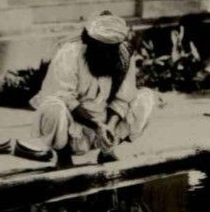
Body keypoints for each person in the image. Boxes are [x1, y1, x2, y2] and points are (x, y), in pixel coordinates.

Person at [22, 12, 154, 167]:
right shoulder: (69, 54)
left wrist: (109, 127)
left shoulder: (123, 58)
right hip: (72, 127)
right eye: (102, 49)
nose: (107, 55)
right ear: (90, 44)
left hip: (103, 126)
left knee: (145, 98)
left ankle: (107, 151)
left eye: (112, 50)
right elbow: (65, 97)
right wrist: (96, 125)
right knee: (52, 106)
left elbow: (122, 98)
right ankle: (64, 158)